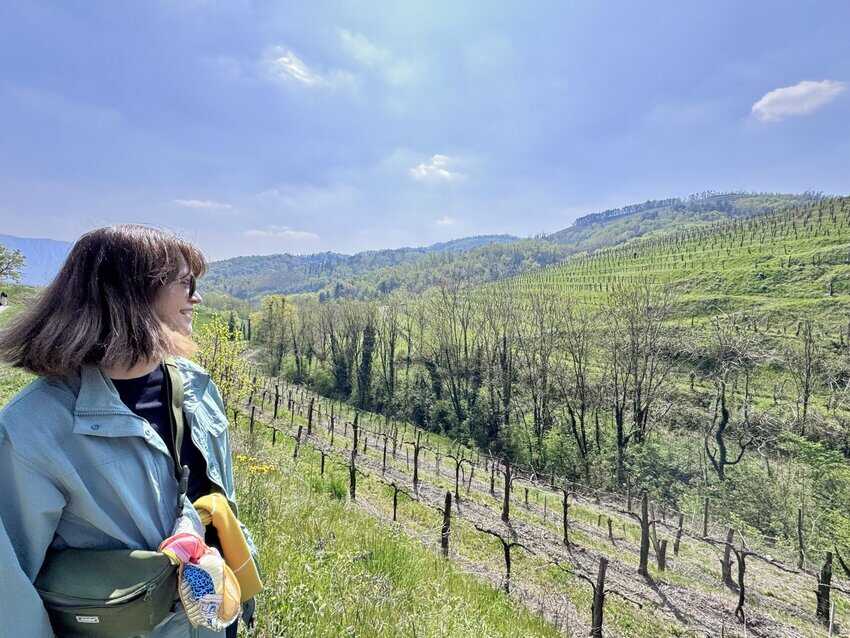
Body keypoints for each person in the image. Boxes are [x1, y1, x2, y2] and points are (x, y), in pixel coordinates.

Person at [0, 225, 255, 637]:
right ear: (131, 294)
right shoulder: (32, 429)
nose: (197, 297)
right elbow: (8, 591)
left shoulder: (197, 388)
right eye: (185, 283)